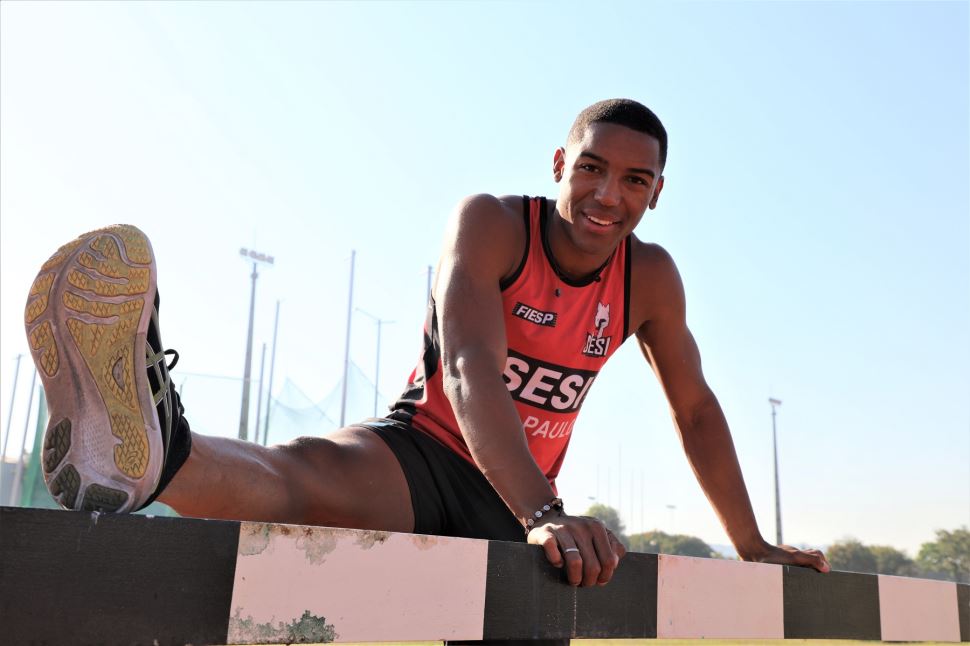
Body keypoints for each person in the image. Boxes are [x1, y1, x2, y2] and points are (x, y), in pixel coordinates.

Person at [24, 99, 829, 593]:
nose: (607, 195)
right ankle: (144, 447)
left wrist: (752, 543)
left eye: (634, 181)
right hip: (431, 453)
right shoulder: (490, 222)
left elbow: (695, 409)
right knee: (302, 477)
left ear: (658, 192)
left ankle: (146, 445)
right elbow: (474, 365)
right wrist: (544, 511)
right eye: (591, 168)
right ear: (559, 164)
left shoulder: (649, 277)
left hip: (518, 504)